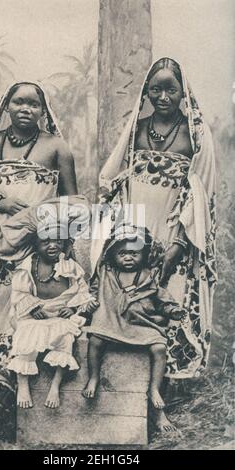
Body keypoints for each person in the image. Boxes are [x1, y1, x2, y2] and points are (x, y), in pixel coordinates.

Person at [91, 58, 217, 430]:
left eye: (171, 89)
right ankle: (125, 394)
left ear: (183, 92)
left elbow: (201, 194)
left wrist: (178, 243)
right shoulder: (136, 130)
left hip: (174, 229)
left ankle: (161, 399)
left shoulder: (196, 136)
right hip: (134, 230)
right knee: (129, 302)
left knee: (167, 301)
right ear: (146, 92)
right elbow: (115, 181)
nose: (163, 96)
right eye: (156, 89)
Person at [0, 81, 77, 358]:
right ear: (7, 106)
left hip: (38, 238)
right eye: (18, 102)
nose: (25, 108)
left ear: (43, 110)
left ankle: (30, 376)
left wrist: (62, 241)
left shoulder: (57, 148)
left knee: (33, 299)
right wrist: (2, 202)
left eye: (33, 104)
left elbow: (72, 201)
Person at [83, 227, 184, 430]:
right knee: (95, 340)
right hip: (111, 321)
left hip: (142, 323)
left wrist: (172, 310)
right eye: (122, 253)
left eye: (134, 253)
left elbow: (162, 298)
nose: (128, 257)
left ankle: (154, 389)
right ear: (112, 255)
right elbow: (92, 293)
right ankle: (93, 377)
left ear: (144, 254)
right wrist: (89, 304)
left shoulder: (149, 276)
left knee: (159, 348)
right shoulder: (106, 273)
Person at [7, 228, 93, 409]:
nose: (52, 245)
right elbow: (19, 292)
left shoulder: (70, 266)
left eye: (57, 241)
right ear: (35, 245)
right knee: (26, 334)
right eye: (45, 242)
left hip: (60, 313)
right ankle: (23, 384)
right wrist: (32, 306)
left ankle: (55, 384)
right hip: (34, 314)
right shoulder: (28, 266)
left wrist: (73, 307)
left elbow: (82, 291)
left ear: (64, 244)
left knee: (65, 338)